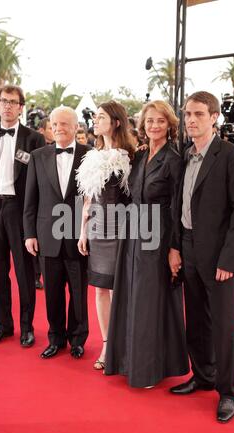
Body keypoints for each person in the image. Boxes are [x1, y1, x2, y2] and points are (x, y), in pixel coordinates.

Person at [169, 91, 234, 423]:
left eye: (198, 114)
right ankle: (203, 375)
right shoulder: (185, 155)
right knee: (197, 321)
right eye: (187, 114)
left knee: (223, 326)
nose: (190, 119)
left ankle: (228, 391)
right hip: (187, 247)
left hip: (219, 256)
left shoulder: (229, 154)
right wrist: (175, 246)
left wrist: (229, 260)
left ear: (214, 117)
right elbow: (178, 207)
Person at [104, 101, 189, 386]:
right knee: (130, 295)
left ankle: (149, 368)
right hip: (133, 234)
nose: (153, 126)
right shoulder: (139, 156)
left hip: (158, 236)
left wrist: (174, 248)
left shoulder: (175, 159)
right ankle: (128, 361)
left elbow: (177, 207)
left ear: (170, 125)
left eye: (160, 121)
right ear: (142, 125)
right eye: (149, 121)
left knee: (150, 302)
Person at [0, 85, 45, 347]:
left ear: (21, 107)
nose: (7, 106)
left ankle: (27, 327)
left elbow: (37, 181)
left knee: (24, 272)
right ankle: (3, 325)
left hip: (20, 209)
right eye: (3, 101)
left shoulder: (33, 139)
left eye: (13, 102)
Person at [24, 106, 89, 359]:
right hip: (47, 235)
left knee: (78, 291)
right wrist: (29, 233)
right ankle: (55, 338)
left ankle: (78, 339)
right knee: (51, 292)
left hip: (78, 235)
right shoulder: (38, 156)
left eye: (64, 124)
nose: (59, 128)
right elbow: (30, 199)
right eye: (54, 124)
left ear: (75, 127)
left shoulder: (89, 155)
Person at [76, 101, 134, 370]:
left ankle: (128, 346)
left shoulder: (132, 155)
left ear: (116, 122)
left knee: (122, 289)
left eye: (101, 117)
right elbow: (88, 198)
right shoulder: (92, 155)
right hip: (97, 230)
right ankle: (108, 345)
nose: (95, 121)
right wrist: (82, 231)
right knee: (100, 288)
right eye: (95, 117)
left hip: (123, 230)